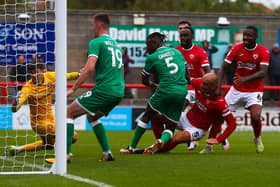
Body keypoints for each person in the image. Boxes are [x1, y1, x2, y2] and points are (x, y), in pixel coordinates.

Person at [59, 13, 124, 162]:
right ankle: (107, 153)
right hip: (118, 91)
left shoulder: (96, 42)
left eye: (92, 24)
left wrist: (73, 89)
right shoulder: (116, 45)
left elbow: (89, 69)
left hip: (104, 90)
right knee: (92, 116)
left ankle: (65, 154)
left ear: (99, 25)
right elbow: (119, 69)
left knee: (68, 112)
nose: (91, 27)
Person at [120, 32, 188, 154]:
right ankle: (161, 141)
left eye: (148, 45)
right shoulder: (177, 52)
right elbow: (187, 76)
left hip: (165, 89)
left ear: (155, 43)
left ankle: (132, 147)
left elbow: (144, 80)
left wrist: (152, 85)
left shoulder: (153, 57)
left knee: (147, 116)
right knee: (171, 125)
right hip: (182, 91)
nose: (147, 48)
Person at [5, 63, 79, 156]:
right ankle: (63, 153)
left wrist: (79, 74)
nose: (34, 75)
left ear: (43, 71)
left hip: (51, 120)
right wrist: (15, 105)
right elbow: (16, 107)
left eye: (36, 72)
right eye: (31, 73)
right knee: (71, 134)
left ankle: (18, 149)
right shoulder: (28, 88)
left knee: (49, 145)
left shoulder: (50, 77)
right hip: (38, 124)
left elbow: (69, 76)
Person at [152, 73, 236, 153]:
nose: (201, 86)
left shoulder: (220, 102)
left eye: (205, 84)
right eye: (202, 83)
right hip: (185, 118)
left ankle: (158, 149)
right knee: (156, 116)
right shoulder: (199, 83)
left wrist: (219, 139)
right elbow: (184, 79)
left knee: (177, 138)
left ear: (213, 86)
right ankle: (159, 143)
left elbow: (232, 124)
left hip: (197, 129)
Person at [217, 25, 270, 153]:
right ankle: (222, 138)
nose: (245, 38)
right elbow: (223, 67)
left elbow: (263, 72)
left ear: (255, 37)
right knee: (219, 115)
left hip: (254, 90)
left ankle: (257, 138)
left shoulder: (263, 51)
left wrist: (245, 79)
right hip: (236, 89)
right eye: (244, 35)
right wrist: (218, 87)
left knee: (256, 117)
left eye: (249, 36)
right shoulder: (236, 49)